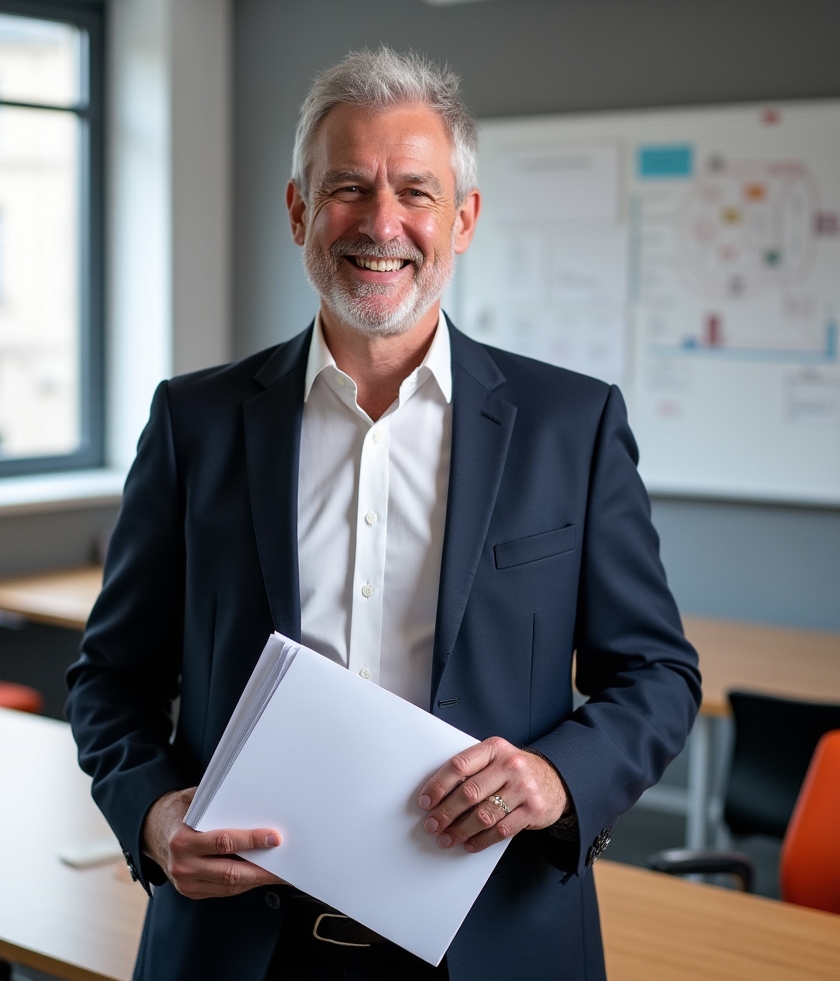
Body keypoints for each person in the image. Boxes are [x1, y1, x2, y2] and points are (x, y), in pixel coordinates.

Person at [66, 47, 701, 981]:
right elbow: (109, 680)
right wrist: (155, 818)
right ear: (297, 211)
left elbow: (655, 673)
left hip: (495, 942)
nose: (382, 224)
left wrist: (557, 778)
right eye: (348, 189)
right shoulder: (192, 423)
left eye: (416, 191)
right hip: (242, 946)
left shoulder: (573, 424)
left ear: (464, 219)